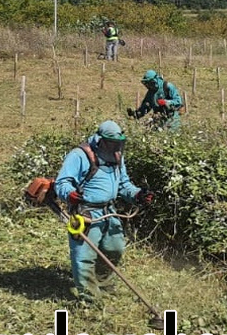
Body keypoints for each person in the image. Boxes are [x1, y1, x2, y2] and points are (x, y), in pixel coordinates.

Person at [54, 120, 154, 301]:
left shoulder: (117, 157)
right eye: (111, 143)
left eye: (118, 143)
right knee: (84, 256)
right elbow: (62, 182)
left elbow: (124, 184)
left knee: (115, 249)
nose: (116, 147)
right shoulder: (80, 155)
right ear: (100, 140)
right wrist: (70, 194)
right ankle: (89, 299)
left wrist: (138, 194)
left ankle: (104, 285)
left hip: (110, 211)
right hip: (86, 213)